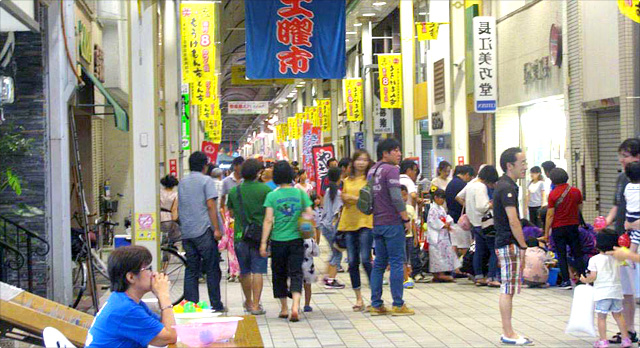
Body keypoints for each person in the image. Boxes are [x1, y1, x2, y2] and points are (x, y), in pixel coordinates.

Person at [85, 246, 177, 348]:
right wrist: (163, 295)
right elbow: (169, 337)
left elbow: (163, 328)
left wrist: (160, 297)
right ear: (131, 277)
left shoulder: (126, 301)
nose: (153, 274)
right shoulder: (126, 309)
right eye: (148, 269)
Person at [260, 161, 313, 322]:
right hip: (296, 240)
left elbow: (268, 220)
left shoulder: (272, 195)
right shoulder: (300, 193)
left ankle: (284, 308)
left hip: (278, 241)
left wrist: (263, 243)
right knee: (296, 273)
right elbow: (309, 214)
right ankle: (295, 307)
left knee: (279, 274)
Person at [368, 138, 414, 316]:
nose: (399, 153)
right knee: (396, 262)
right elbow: (396, 197)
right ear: (385, 153)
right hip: (392, 223)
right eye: (395, 150)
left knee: (379, 263)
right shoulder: (392, 170)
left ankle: (376, 304)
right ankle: (397, 304)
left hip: (377, 222)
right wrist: (405, 218)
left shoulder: (372, 171)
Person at [602, 138, 640, 344]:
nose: (621, 161)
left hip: (635, 236)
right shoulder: (622, 179)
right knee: (626, 288)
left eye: (625, 156)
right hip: (623, 239)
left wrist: (633, 226)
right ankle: (629, 330)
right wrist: (606, 221)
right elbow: (617, 206)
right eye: (620, 156)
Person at [494, 147, 532, 346]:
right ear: (510, 165)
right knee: (507, 288)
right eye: (522, 163)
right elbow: (513, 220)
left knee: (507, 288)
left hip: (505, 242)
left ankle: (508, 331)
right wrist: (524, 246)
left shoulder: (505, 185)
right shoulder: (506, 187)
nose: (525, 166)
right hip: (509, 243)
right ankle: (508, 332)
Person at [178, 151, 224, 311]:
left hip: (187, 232)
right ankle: (216, 305)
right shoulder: (206, 181)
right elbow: (211, 205)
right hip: (204, 231)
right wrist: (216, 229)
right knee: (212, 269)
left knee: (191, 269)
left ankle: (191, 307)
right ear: (205, 166)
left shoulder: (182, 182)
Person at [226, 159, 271, 315]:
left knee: (244, 271)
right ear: (258, 173)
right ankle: (256, 305)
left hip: (240, 236)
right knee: (257, 271)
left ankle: (248, 302)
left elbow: (230, 213)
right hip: (259, 236)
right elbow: (269, 214)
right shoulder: (265, 190)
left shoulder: (234, 191)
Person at [580, 231, 632, 348]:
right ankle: (626, 339)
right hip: (616, 291)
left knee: (602, 317)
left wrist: (584, 280)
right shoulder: (617, 258)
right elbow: (626, 263)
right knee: (618, 315)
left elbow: (593, 277)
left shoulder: (594, 260)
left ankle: (603, 341)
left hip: (602, 293)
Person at [338, 149, 374, 312]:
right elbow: (343, 200)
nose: (361, 162)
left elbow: (369, 200)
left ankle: (375, 296)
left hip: (366, 222)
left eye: (365, 160)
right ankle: (358, 298)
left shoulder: (370, 180)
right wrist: (357, 199)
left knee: (366, 259)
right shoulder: (346, 180)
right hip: (349, 223)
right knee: (352, 261)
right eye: (358, 159)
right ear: (353, 162)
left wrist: (353, 199)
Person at [457, 165, 500, 287]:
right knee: (493, 250)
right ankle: (491, 277)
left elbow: (459, 196)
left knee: (479, 251)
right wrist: (491, 204)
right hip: (485, 223)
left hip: (474, 223)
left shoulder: (471, 184)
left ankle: (479, 276)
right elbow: (482, 206)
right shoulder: (481, 187)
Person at [541, 168, 585, 290]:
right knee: (577, 253)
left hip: (558, 227)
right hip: (573, 226)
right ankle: (582, 278)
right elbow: (579, 208)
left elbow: (550, 215)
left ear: (553, 180)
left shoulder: (553, 194)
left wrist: (546, 233)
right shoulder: (576, 192)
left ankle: (566, 280)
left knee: (561, 254)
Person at [319, 167, 345, 289]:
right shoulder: (339, 194)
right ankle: (331, 280)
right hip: (331, 227)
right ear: (339, 177)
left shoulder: (329, 191)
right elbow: (338, 212)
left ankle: (327, 277)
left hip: (324, 225)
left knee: (333, 252)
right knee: (337, 252)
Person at [426, 188, 457, 282]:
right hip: (436, 236)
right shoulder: (432, 209)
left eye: (443, 198)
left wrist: (448, 223)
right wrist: (443, 225)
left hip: (443, 236)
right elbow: (432, 221)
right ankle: (437, 275)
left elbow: (446, 217)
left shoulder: (441, 209)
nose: (442, 200)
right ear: (435, 198)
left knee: (443, 255)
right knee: (437, 256)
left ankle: (441, 274)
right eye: (440, 198)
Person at [445, 165, 475, 258]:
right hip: (461, 220)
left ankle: (454, 268)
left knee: (454, 246)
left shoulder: (451, 183)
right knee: (464, 246)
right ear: (467, 175)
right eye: (470, 177)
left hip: (451, 217)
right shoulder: (462, 185)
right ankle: (464, 268)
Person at [303, 191, 321, 313]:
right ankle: (307, 304)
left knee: (295, 285)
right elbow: (316, 253)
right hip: (308, 266)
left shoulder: (294, 240)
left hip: (294, 265)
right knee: (307, 285)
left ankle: (295, 302)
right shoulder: (309, 240)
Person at [401, 185, 418, 289]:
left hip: (409, 236)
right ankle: (404, 277)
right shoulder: (395, 209)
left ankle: (407, 275)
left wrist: (416, 237)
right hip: (399, 237)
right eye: (401, 195)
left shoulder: (410, 208)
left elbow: (413, 224)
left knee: (408, 257)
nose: (403, 197)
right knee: (402, 257)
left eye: (405, 195)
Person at [160, 175, 181, 249]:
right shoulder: (175, 194)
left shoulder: (159, 192)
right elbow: (174, 209)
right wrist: (176, 220)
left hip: (157, 217)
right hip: (168, 218)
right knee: (169, 239)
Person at [624, 162, 640, 250]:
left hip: (629, 215)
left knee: (633, 235)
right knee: (636, 237)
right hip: (637, 215)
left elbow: (627, 199)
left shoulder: (627, 187)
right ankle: (631, 254)